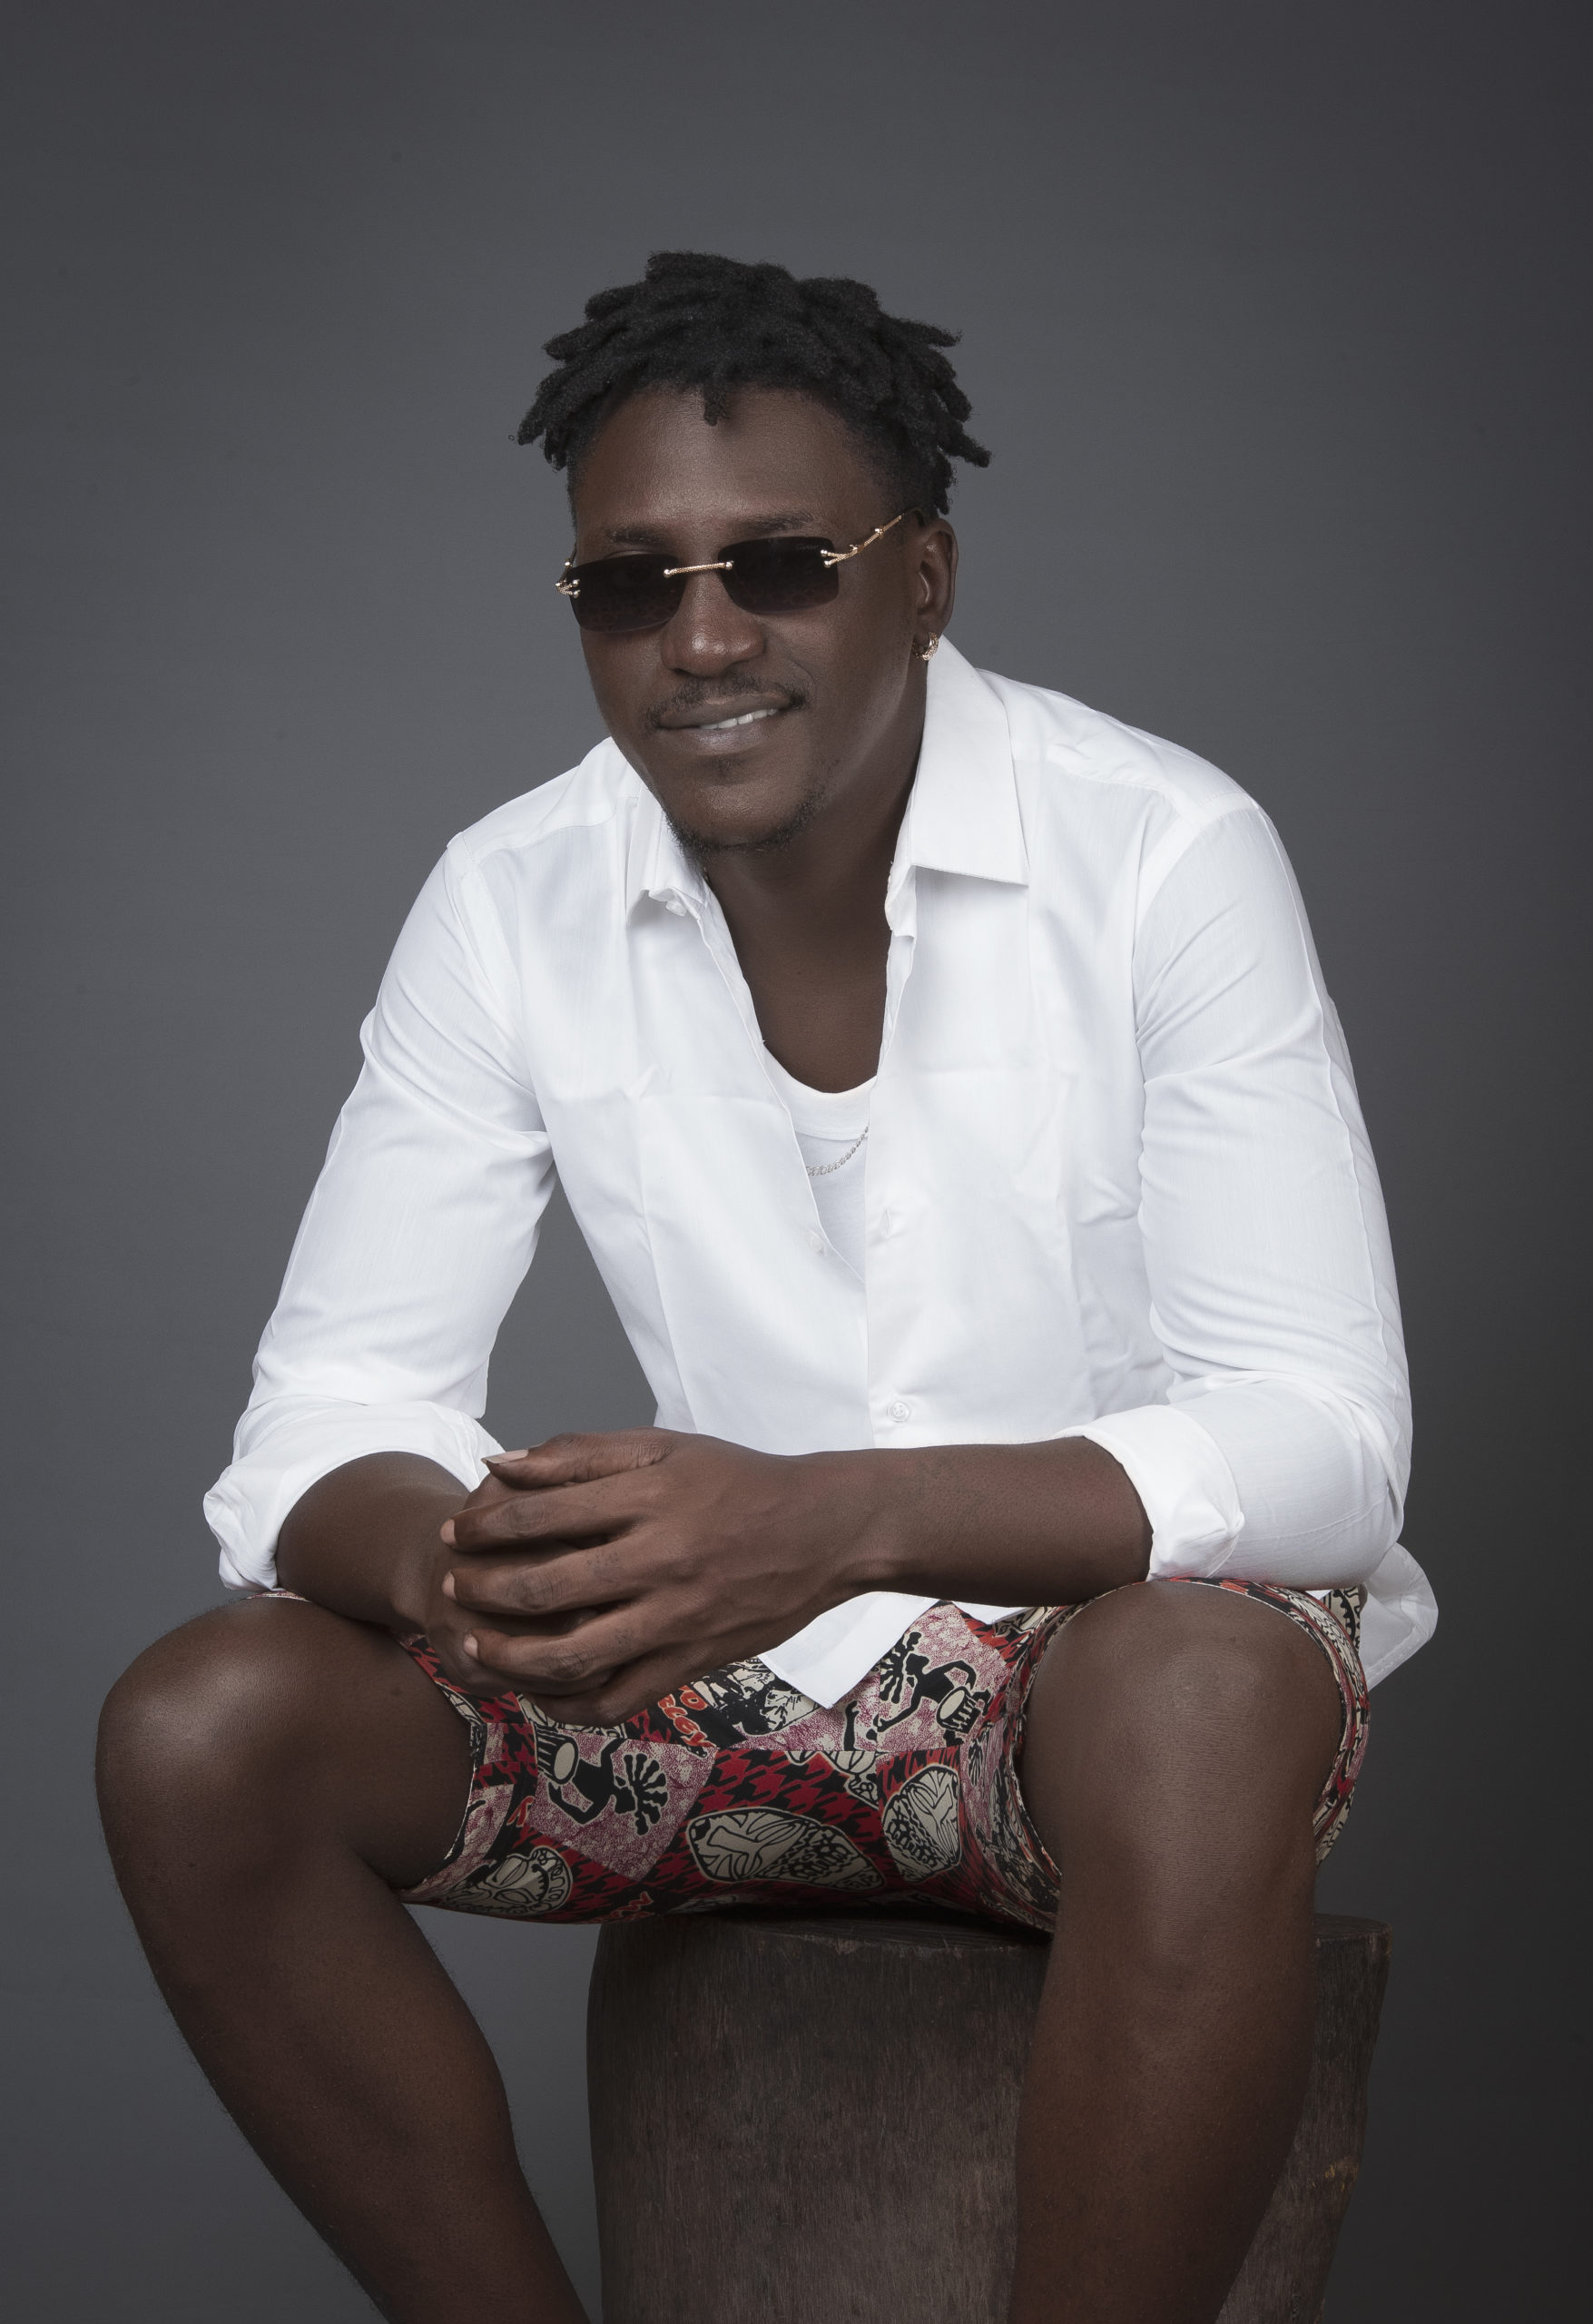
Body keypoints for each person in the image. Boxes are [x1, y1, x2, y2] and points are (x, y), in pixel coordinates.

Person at [96, 251, 1437, 2324]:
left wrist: (835, 1519)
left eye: (781, 567)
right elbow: (315, 1426)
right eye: (629, 586)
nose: (702, 638)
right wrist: (482, 1567)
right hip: (697, 1696)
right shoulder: (510, 895)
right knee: (202, 1729)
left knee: (1206, 1685)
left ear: (926, 579)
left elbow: (1328, 1448)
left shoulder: (1162, 851)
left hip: (1085, 1717)